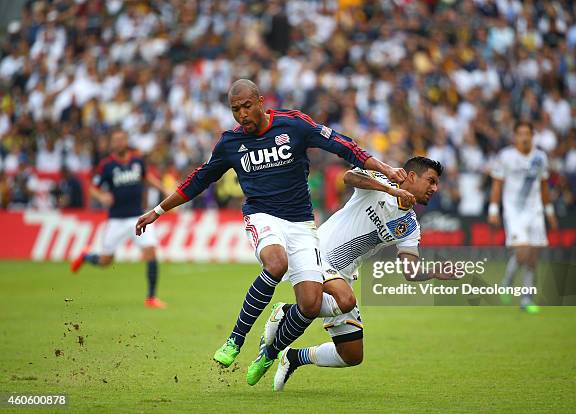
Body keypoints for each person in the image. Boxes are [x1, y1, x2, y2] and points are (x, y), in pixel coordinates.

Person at [134, 79, 406, 385]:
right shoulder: (230, 143)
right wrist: (157, 211)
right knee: (276, 264)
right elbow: (198, 180)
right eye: (235, 110)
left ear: (261, 101)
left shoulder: (293, 125)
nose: (242, 115)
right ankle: (235, 340)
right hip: (262, 216)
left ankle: (270, 352)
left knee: (311, 304)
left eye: (247, 106)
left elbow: (343, 145)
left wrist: (385, 168)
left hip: (302, 223)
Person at [270, 156, 450, 391]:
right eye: (431, 181)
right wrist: (390, 190)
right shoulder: (384, 179)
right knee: (344, 301)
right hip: (318, 253)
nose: (435, 188)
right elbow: (348, 177)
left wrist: (436, 272)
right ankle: (288, 312)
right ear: (412, 177)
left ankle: (293, 357)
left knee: (351, 355)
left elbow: (410, 271)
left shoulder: (410, 225)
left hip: (342, 275)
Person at [71, 129, 169, 309]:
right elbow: (93, 187)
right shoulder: (106, 165)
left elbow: (146, 177)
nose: (119, 143)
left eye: (122, 139)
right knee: (105, 261)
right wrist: (101, 197)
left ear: (126, 141)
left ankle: (151, 297)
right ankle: (86, 256)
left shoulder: (137, 160)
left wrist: (163, 189)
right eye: (116, 140)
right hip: (116, 219)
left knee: (151, 251)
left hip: (138, 216)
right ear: (112, 144)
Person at [488, 121, 558, 313]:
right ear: (515, 136)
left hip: (535, 211)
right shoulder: (506, 156)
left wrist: (549, 211)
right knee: (522, 252)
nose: (525, 137)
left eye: (528, 133)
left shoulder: (540, 157)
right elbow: (497, 184)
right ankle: (507, 281)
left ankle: (526, 299)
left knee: (533, 258)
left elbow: (544, 186)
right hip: (514, 211)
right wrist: (493, 210)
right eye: (521, 134)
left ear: (532, 136)